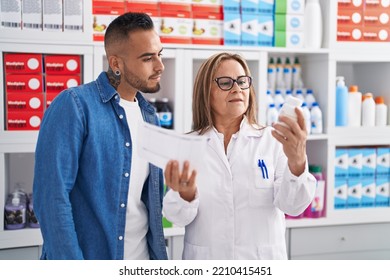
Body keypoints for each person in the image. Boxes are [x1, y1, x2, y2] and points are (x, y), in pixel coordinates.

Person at [33, 12, 167, 260]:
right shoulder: (74, 106)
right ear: (116, 63)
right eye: (148, 58)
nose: (160, 66)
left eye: (160, 54)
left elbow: (149, 204)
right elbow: (51, 199)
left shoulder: (150, 117)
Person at [163, 52, 316, 260]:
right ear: (206, 92)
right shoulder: (188, 146)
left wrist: (297, 162)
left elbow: (294, 206)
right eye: (225, 82)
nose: (237, 88)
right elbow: (175, 216)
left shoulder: (272, 141)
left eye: (242, 81)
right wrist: (186, 195)